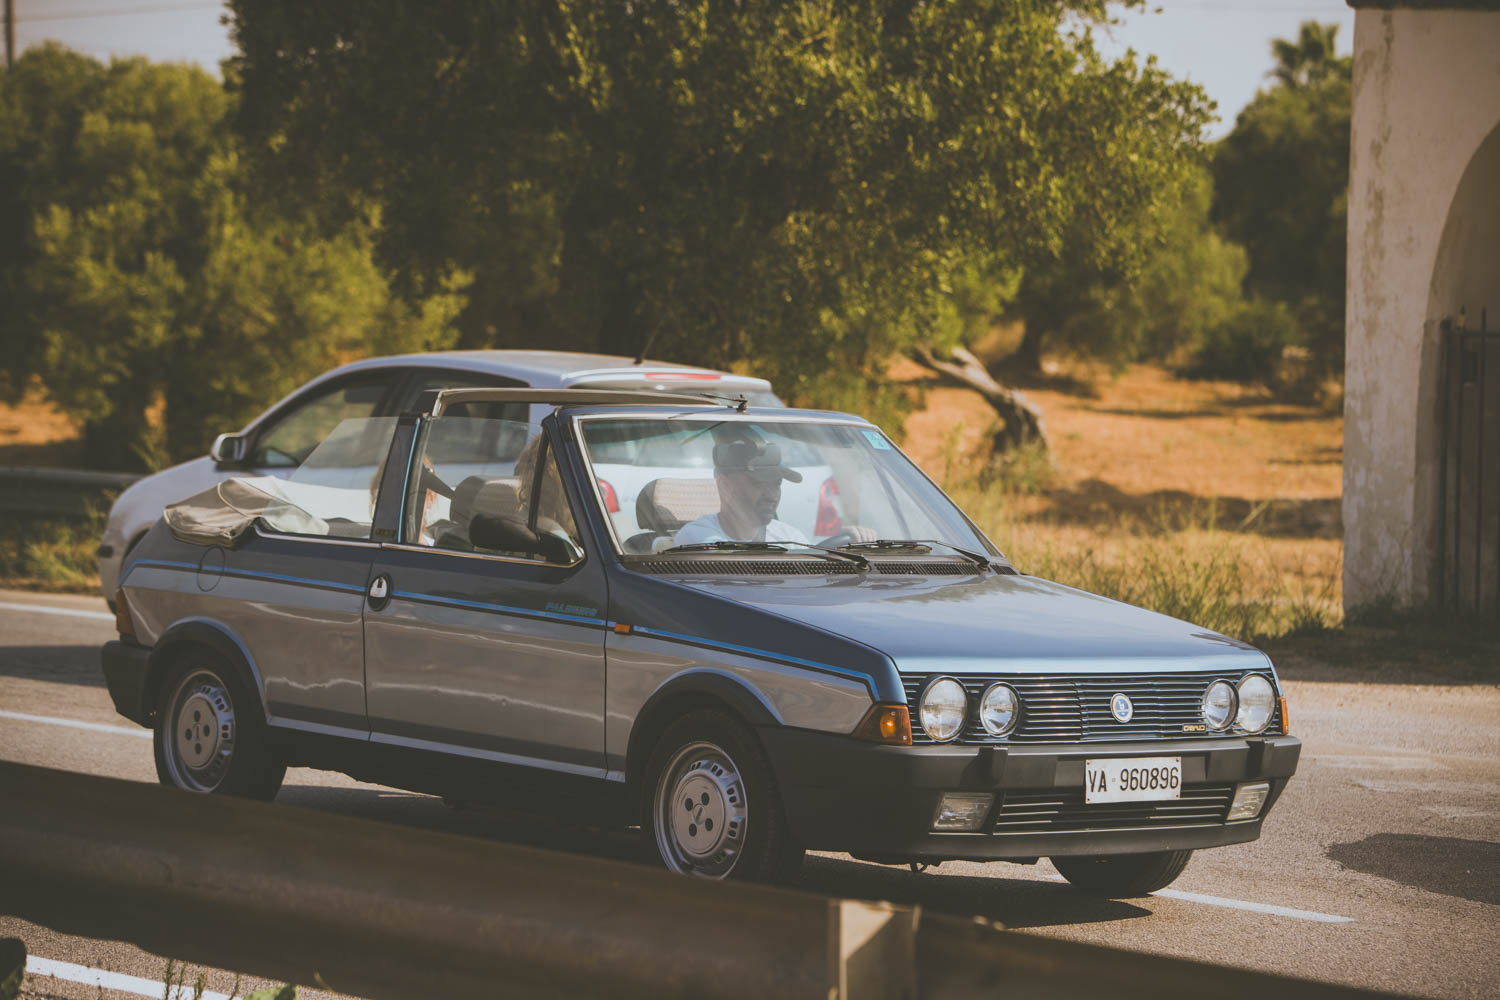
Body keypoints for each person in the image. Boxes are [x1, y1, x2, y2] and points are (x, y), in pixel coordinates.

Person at [674, 435, 809, 545]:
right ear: (725, 487)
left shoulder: (791, 539)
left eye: (777, 484)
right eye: (759, 483)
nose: (772, 496)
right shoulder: (698, 538)